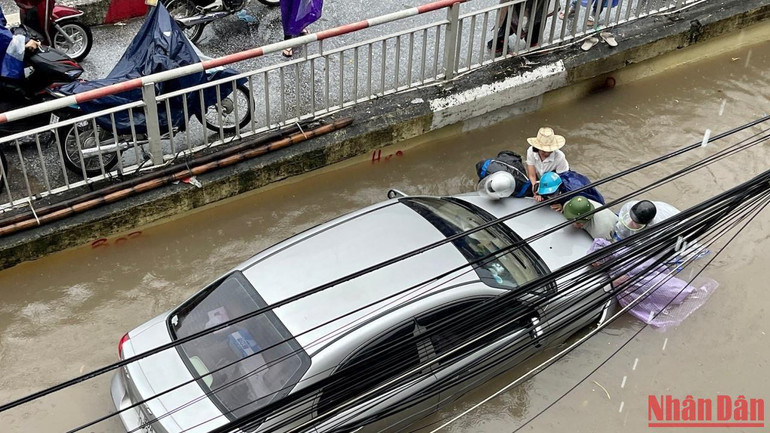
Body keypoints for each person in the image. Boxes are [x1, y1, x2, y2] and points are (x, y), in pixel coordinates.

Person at [525, 127, 569, 202]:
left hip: (555, 180)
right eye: (544, 151)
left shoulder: (560, 157)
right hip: (539, 179)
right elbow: (532, 175)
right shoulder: (530, 152)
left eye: (550, 151)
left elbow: (563, 180)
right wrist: (536, 190)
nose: (547, 153)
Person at [612, 199, 680, 241]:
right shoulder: (630, 206)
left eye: (635, 223)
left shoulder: (654, 232)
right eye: (630, 217)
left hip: (674, 223)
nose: (629, 223)